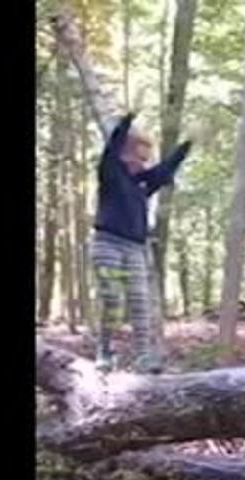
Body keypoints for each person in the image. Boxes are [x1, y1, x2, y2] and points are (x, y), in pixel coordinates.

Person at [91, 113, 191, 373]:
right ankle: (104, 350)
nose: (143, 164)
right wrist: (127, 120)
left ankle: (144, 355)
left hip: (135, 248)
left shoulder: (142, 186)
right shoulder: (111, 173)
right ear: (125, 154)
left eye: (146, 160)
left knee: (139, 301)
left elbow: (166, 169)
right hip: (108, 244)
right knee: (112, 299)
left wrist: (187, 144)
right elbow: (112, 148)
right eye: (139, 157)